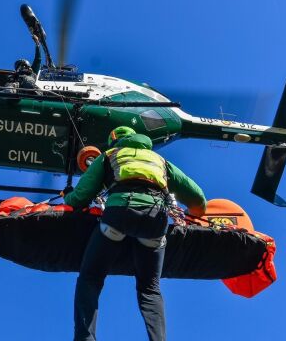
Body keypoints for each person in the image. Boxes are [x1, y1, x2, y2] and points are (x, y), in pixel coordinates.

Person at [63, 126, 207, 341]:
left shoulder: (109, 156)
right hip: (154, 223)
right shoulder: (159, 160)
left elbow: (81, 196)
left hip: (117, 218)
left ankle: (85, 338)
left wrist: (68, 198)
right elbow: (197, 197)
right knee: (150, 289)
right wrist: (195, 214)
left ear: (114, 141)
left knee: (90, 279)